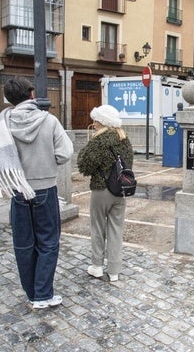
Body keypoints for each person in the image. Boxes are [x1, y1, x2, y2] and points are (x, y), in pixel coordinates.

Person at [0, 77, 73, 309]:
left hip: (17, 189)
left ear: (9, 99)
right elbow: (65, 153)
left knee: (23, 244)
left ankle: (33, 294)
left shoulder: (1, 124)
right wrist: (47, 162)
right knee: (48, 242)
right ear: (32, 94)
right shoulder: (49, 120)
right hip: (44, 187)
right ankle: (43, 294)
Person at [77, 104, 133, 283]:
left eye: (96, 121)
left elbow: (83, 165)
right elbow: (129, 163)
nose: (93, 124)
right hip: (120, 190)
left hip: (102, 190)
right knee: (116, 229)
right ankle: (114, 271)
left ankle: (97, 266)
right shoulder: (124, 139)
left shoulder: (99, 141)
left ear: (103, 123)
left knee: (98, 228)